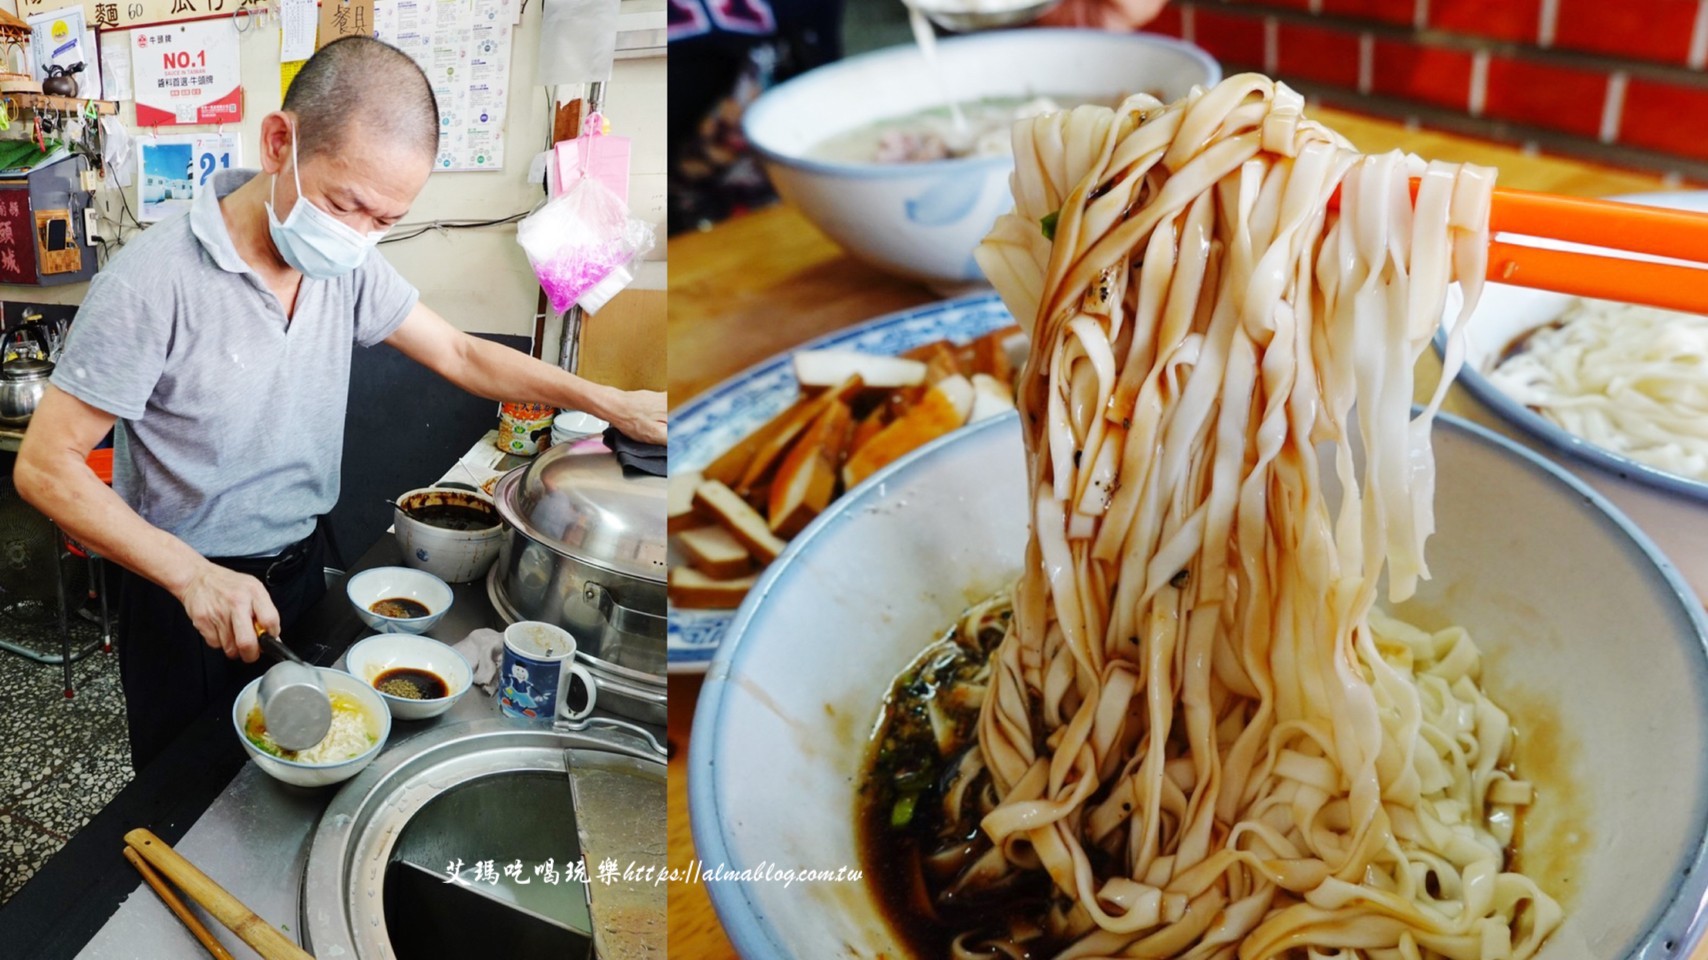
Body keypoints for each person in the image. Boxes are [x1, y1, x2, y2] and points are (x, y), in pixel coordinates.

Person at [13, 37, 666, 770]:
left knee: (307, 759)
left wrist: (612, 401)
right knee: (189, 795)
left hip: (298, 570)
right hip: (184, 593)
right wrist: (192, 577)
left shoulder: (346, 267)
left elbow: (460, 352)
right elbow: (45, 468)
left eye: (383, 220)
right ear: (278, 141)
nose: (357, 236)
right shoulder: (148, 285)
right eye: (343, 203)